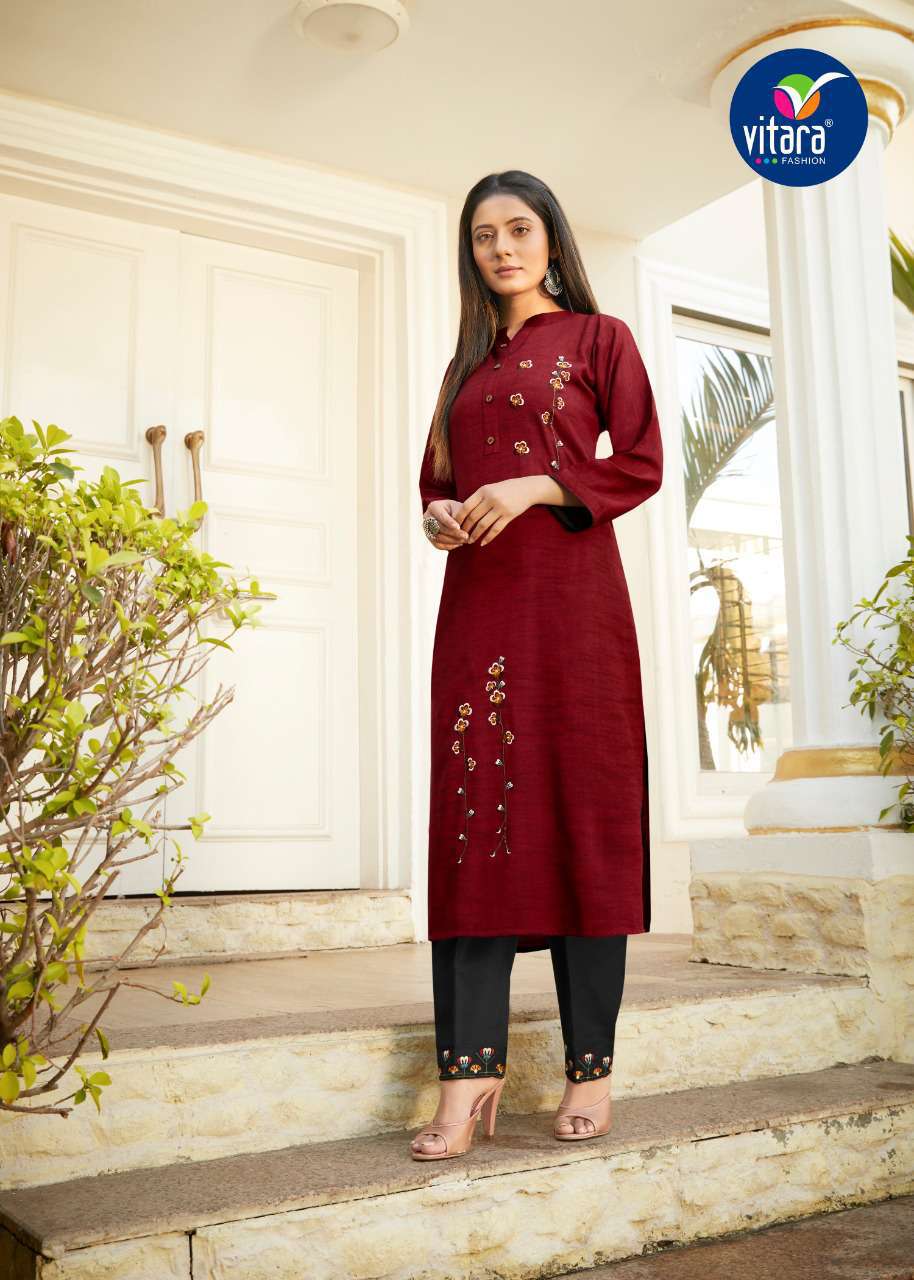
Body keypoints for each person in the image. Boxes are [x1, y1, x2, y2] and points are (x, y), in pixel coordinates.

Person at [411, 170, 663, 1160]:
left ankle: (589, 1068)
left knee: (583, 817)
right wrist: (440, 515)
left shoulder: (600, 340)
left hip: (574, 608)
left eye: (518, 229)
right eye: (484, 236)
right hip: (479, 607)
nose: (502, 249)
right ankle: (467, 1073)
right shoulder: (462, 367)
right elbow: (435, 481)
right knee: (476, 818)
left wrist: (536, 485)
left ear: (550, 238)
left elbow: (639, 460)